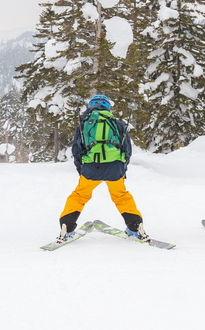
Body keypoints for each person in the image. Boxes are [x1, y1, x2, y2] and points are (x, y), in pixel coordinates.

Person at [57, 94, 147, 242]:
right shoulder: (118, 124)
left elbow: (76, 151)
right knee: (121, 197)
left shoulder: (84, 124)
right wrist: (122, 169)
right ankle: (135, 226)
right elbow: (127, 150)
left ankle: (66, 227)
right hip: (115, 168)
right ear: (108, 107)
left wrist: (82, 170)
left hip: (91, 168)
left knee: (79, 196)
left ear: (90, 107)